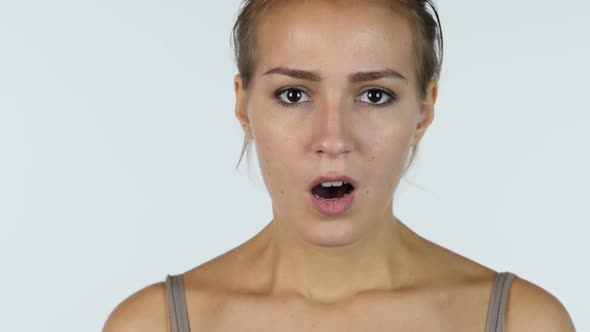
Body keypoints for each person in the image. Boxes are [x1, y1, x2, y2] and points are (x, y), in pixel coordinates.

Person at [103, 1, 576, 331]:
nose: (332, 139)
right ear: (243, 106)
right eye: (293, 94)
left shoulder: (524, 323)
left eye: (374, 95)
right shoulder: (150, 325)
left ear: (425, 108)